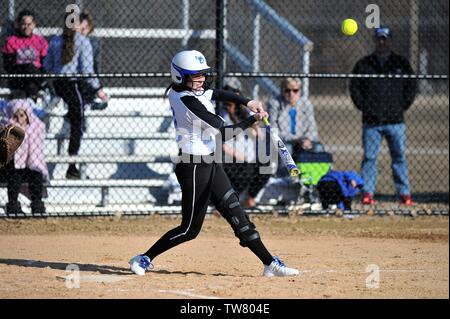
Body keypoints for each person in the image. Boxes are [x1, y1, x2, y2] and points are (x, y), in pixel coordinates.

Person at [128, 50, 299, 277]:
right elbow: (224, 134)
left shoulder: (191, 90)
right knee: (189, 230)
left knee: (236, 213)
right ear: (180, 77)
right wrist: (252, 120)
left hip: (210, 162)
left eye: (202, 74)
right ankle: (144, 258)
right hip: (193, 166)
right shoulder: (187, 101)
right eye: (195, 76)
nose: (201, 80)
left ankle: (270, 263)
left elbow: (216, 93)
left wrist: (248, 102)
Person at [350, 27, 417, 206]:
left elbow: (411, 87)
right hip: (371, 121)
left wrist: (400, 107)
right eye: (379, 39)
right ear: (375, 40)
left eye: (385, 39)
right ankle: (368, 193)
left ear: (389, 40)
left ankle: (404, 193)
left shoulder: (400, 63)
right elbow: (354, 89)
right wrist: (365, 108)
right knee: (370, 158)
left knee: (399, 157)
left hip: (395, 121)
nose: (382, 42)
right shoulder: (364, 64)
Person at [44, 12, 109, 179]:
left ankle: (71, 164)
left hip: (58, 84)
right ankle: (72, 166)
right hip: (71, 85)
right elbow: (87, 71)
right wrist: (98, 89)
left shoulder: (55, 40)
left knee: (75, 114)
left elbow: (48, 66)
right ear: (78, 25)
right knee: (78, 121)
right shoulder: (83, 41)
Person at [221, 79, 271, 208]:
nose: (233, 96)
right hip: (227, 157)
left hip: (247, 155)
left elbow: (259, 136)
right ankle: (229, 203)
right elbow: (219, 142)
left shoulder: (243, 113)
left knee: (265, 165)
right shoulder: (221, 113)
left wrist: (255, 123)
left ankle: (249, 199)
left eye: (236, 93)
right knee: (247, 167)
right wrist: (238, 156)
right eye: (230, 92)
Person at [0, 99, 48, 216]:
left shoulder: (37, 126)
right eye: (15, 116)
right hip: (9, 166)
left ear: (28, 114)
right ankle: (13, 205)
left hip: (30, 163)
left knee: (36, 172)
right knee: (15, 173)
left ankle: (37, 205)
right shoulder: (6, 125)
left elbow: (37, 153)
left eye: (22, 115)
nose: (20, 119)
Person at [267, 77, 323, 177]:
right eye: (287, 90)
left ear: (299, 91)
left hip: (304, 141)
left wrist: (308, 140)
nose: (291, 94)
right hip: (284, 141)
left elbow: (313, 129)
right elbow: (274, 131)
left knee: (318, 148)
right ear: (282, 90)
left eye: (295, 90)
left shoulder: (306, 104)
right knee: (286, 149)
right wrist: (297, 139)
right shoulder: (275, 104)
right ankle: (284, 179)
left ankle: (312, 180)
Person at [2, 10, 48, 98]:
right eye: (23, 24)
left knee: (31, 80)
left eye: (29, 24)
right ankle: (46, 88)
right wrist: (25, 67)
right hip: (18, 76)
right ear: (19, 24)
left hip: (36, 77)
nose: (26, 27)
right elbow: (9, 66)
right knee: (28, 67)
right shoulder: (11, 41)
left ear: (34, 24)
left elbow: (44, 64)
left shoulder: (41, 41)